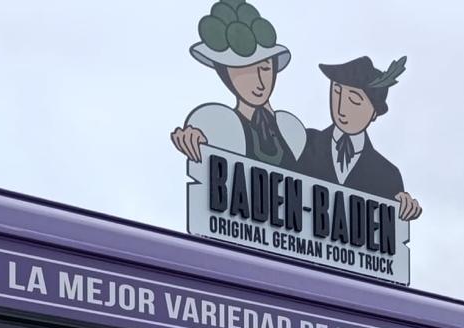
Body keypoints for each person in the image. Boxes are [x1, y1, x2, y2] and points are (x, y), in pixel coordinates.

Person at [170, 2, 305, 170]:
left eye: (265, 68)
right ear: (225, 75)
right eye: (245, 73)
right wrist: (198, 142)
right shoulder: (221, 126)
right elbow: (205, 146)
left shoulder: (291, 129)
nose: (260, 82)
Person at [296, 56, 423, 220]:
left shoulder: (387, 175)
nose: (341, 108)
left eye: (354, 100)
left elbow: (391, 229)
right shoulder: (305, 142)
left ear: (374, 113)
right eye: (336, 91)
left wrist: (403, 208)